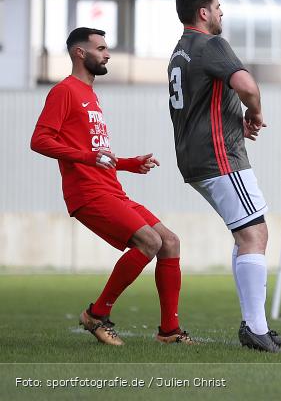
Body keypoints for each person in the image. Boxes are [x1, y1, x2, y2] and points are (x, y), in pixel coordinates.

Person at [31, 27, 193, 345]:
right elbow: (39, 140)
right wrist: (87, 157)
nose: (107, 54)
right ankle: (96, 314)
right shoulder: (65, 91)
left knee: (170, 242)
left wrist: (131, 163)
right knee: (149, 241)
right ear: (80, 53)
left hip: (112, 189)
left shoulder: (91, 95)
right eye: (101, 48)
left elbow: (97, 154)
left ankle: (169, 332)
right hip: (88, 194)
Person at [167, 0, 281, 352]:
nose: (221, 13)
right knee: (255, 236)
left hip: (195, 157)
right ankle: (255, 328)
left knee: (247, 234)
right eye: (218, 6)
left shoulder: (180, 51)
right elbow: (247, 85)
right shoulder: (211, 44)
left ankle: (256, 324)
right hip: (219, 157)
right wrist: (255, 111)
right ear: (203, 13)